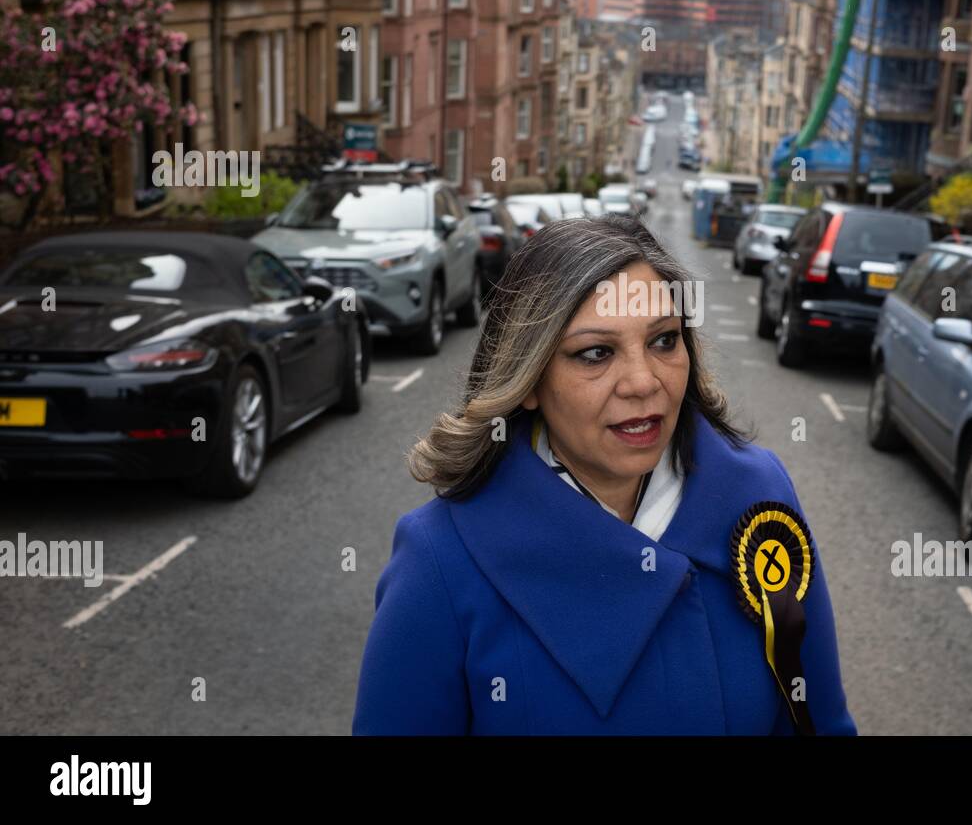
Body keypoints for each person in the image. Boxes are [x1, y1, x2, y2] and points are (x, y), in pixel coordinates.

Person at [352, 215, 856, 735]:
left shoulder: (759, 496)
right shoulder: (440, 562)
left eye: (663, 340)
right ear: (526, 379)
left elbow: (820, 723)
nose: (643, 382)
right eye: (595, 353)